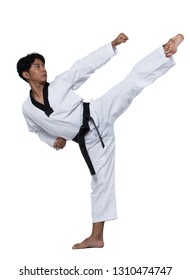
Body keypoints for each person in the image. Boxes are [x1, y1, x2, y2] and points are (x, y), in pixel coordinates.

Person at [17, 33, 184, 249]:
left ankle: (166, 48)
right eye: (38, 66)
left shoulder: (59, 84)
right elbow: (37, 130)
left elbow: (84, 66)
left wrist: (111, 46)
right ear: (26, 74)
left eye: (43, 65)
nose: (44, 69)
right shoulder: (27, 109)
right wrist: (53, 141)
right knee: (100, 184)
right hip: (90, 142)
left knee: (131, 83)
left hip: (97, 113)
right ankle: (97, 237)